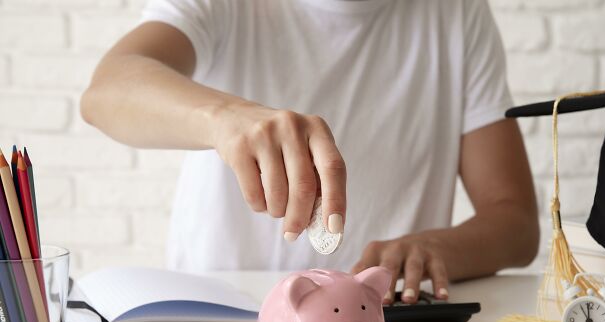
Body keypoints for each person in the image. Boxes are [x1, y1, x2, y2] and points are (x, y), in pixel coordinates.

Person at [80, 0, 539, 304]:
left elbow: (515, 222)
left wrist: (435, 248)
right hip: (220, 319)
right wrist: (226, 119)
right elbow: (106, 91)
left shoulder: (455, 13)